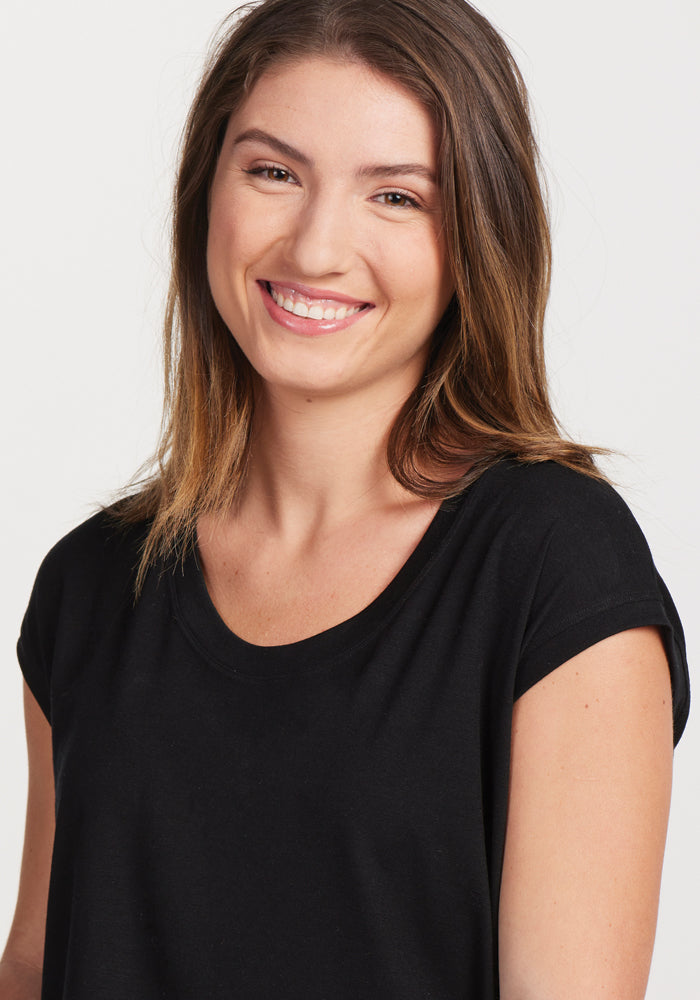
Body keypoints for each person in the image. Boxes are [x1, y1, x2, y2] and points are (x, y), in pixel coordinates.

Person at [0, 0, 690, 997]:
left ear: (476, 238)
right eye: (273, 172)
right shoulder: (91, 585)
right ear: (207, 191)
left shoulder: (554, 569)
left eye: (397, 196)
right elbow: (36, 963)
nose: (316, 246)